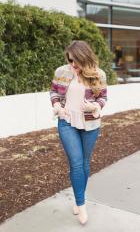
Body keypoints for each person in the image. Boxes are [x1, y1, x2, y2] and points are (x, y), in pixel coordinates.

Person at [50, 40, 107, 225]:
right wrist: (57, 106)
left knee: (84, 163)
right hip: (67, 122)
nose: (73, 65)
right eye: (70, 60)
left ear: (85, 58)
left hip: (90, 124)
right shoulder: (62, 72)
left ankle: (77, 197)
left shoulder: (99, 74)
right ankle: (81, 205)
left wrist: (95, 106)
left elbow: (103, 97)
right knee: (75, 163)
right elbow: (54, 92)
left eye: (76, 61)